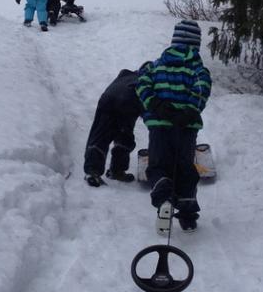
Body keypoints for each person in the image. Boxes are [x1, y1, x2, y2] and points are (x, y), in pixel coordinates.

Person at [135, 19, 211, 230]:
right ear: (195, 45)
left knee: (158, 164)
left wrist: (156, 105)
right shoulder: (198, 70)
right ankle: (187, 214)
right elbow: (201, 90)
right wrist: (187, 112)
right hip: (185, 129)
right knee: (185, 167)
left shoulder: (155, 66)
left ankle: (163, 194)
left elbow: (142, 84)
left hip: (159, 126)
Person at [83, 65, 146, 187]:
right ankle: (116, 171)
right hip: (128, 101)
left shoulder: (126, 75)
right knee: (124, 136)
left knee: (100, 135)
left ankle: (93, 171)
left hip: (108, 98)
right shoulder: (148, 81)